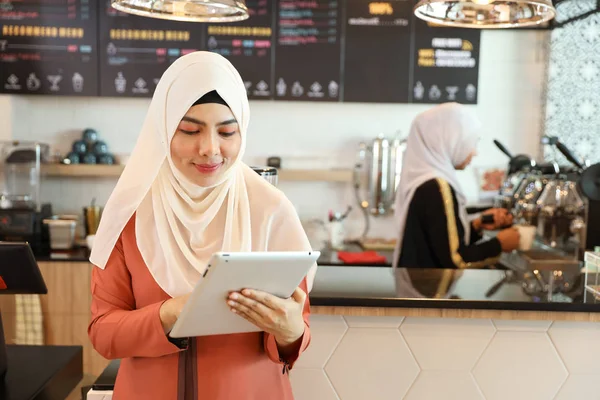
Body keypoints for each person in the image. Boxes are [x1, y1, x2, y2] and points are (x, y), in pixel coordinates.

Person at [87, 51, 316, 400]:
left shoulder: (271, 212)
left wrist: (291, 329)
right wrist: (170, 313)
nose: (210, 149)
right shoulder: (129, 214)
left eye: (227, 132)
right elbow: (103, 334)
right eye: (190, 130)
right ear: (163, 131)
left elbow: (294, 337)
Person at [392, 102, 520, 270]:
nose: (474, 152)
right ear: (449, 141)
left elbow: (439, 244)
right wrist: (499, 244)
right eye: (469, 143)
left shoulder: (426, 182)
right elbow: (455, 259)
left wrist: (476, 225)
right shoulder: (436, 187)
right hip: (430, 292)